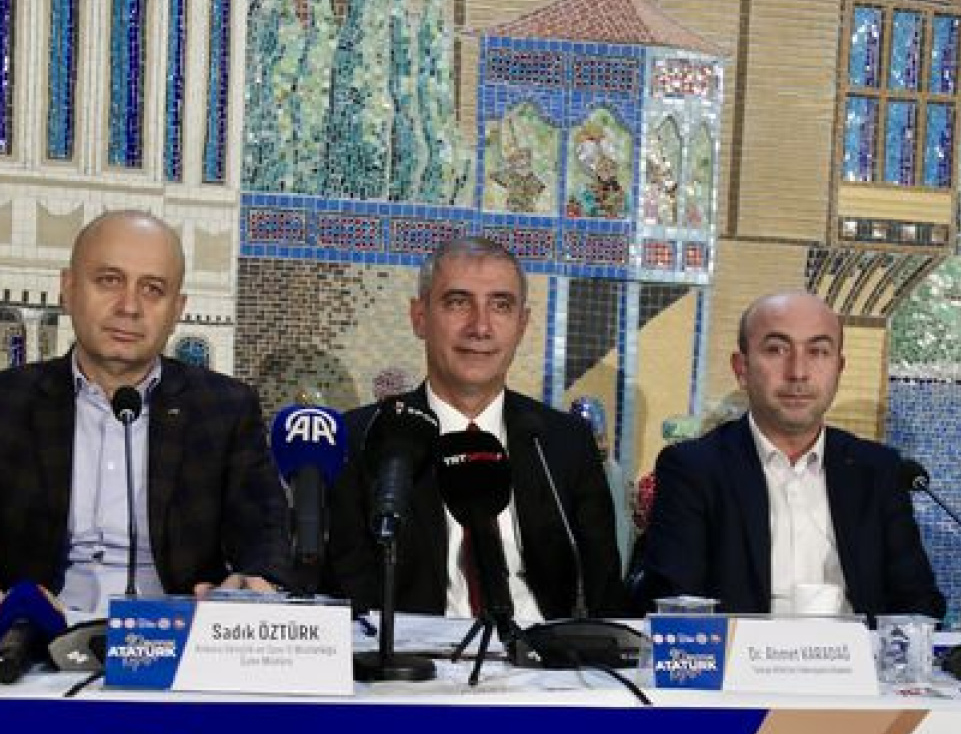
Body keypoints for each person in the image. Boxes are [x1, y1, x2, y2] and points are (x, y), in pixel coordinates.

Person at [0, 209, 289, 609]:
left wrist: (252, 581)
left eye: (153, 289)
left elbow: (264, 534)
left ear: (177, 310)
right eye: (109, 280)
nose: (130, 307)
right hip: (33, 634)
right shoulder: (9, 402)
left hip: (174, 634)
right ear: (68, 288)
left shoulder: (225, 409)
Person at [326, 236, 626, 620]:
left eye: (501, 306)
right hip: (408, 654)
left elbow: (604, 595)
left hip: (542, 652)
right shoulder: (362, 439)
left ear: (522, 325)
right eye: (458, 302)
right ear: (420, 317)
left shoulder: (562, 443)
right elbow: (345, 597)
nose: (480, 327)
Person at [637, 290, 945, 618]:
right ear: (742, 369)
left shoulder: (877, 471)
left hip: (855, 650)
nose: (798, 372)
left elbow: (917, 604)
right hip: (739, 650)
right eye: (776, 350)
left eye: (818, 351)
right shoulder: (694, 469)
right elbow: (675, 601)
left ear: (839, 368)